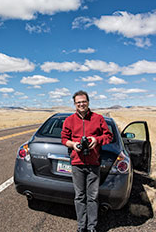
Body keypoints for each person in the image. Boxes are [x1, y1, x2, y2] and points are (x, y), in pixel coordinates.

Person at [61, 90, 113, 232]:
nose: (81, 104)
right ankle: (81, 227)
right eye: (78, 102)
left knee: (92, 197)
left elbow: (109, 136)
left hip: (93, 164)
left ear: (88, 102)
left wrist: (97, 140)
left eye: (83, 101)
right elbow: (64, 139)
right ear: (74, 104)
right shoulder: (69, 120)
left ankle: (92, 227)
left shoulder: (98, 118)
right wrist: (73, 145)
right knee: (79, 197)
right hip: (77, 164)